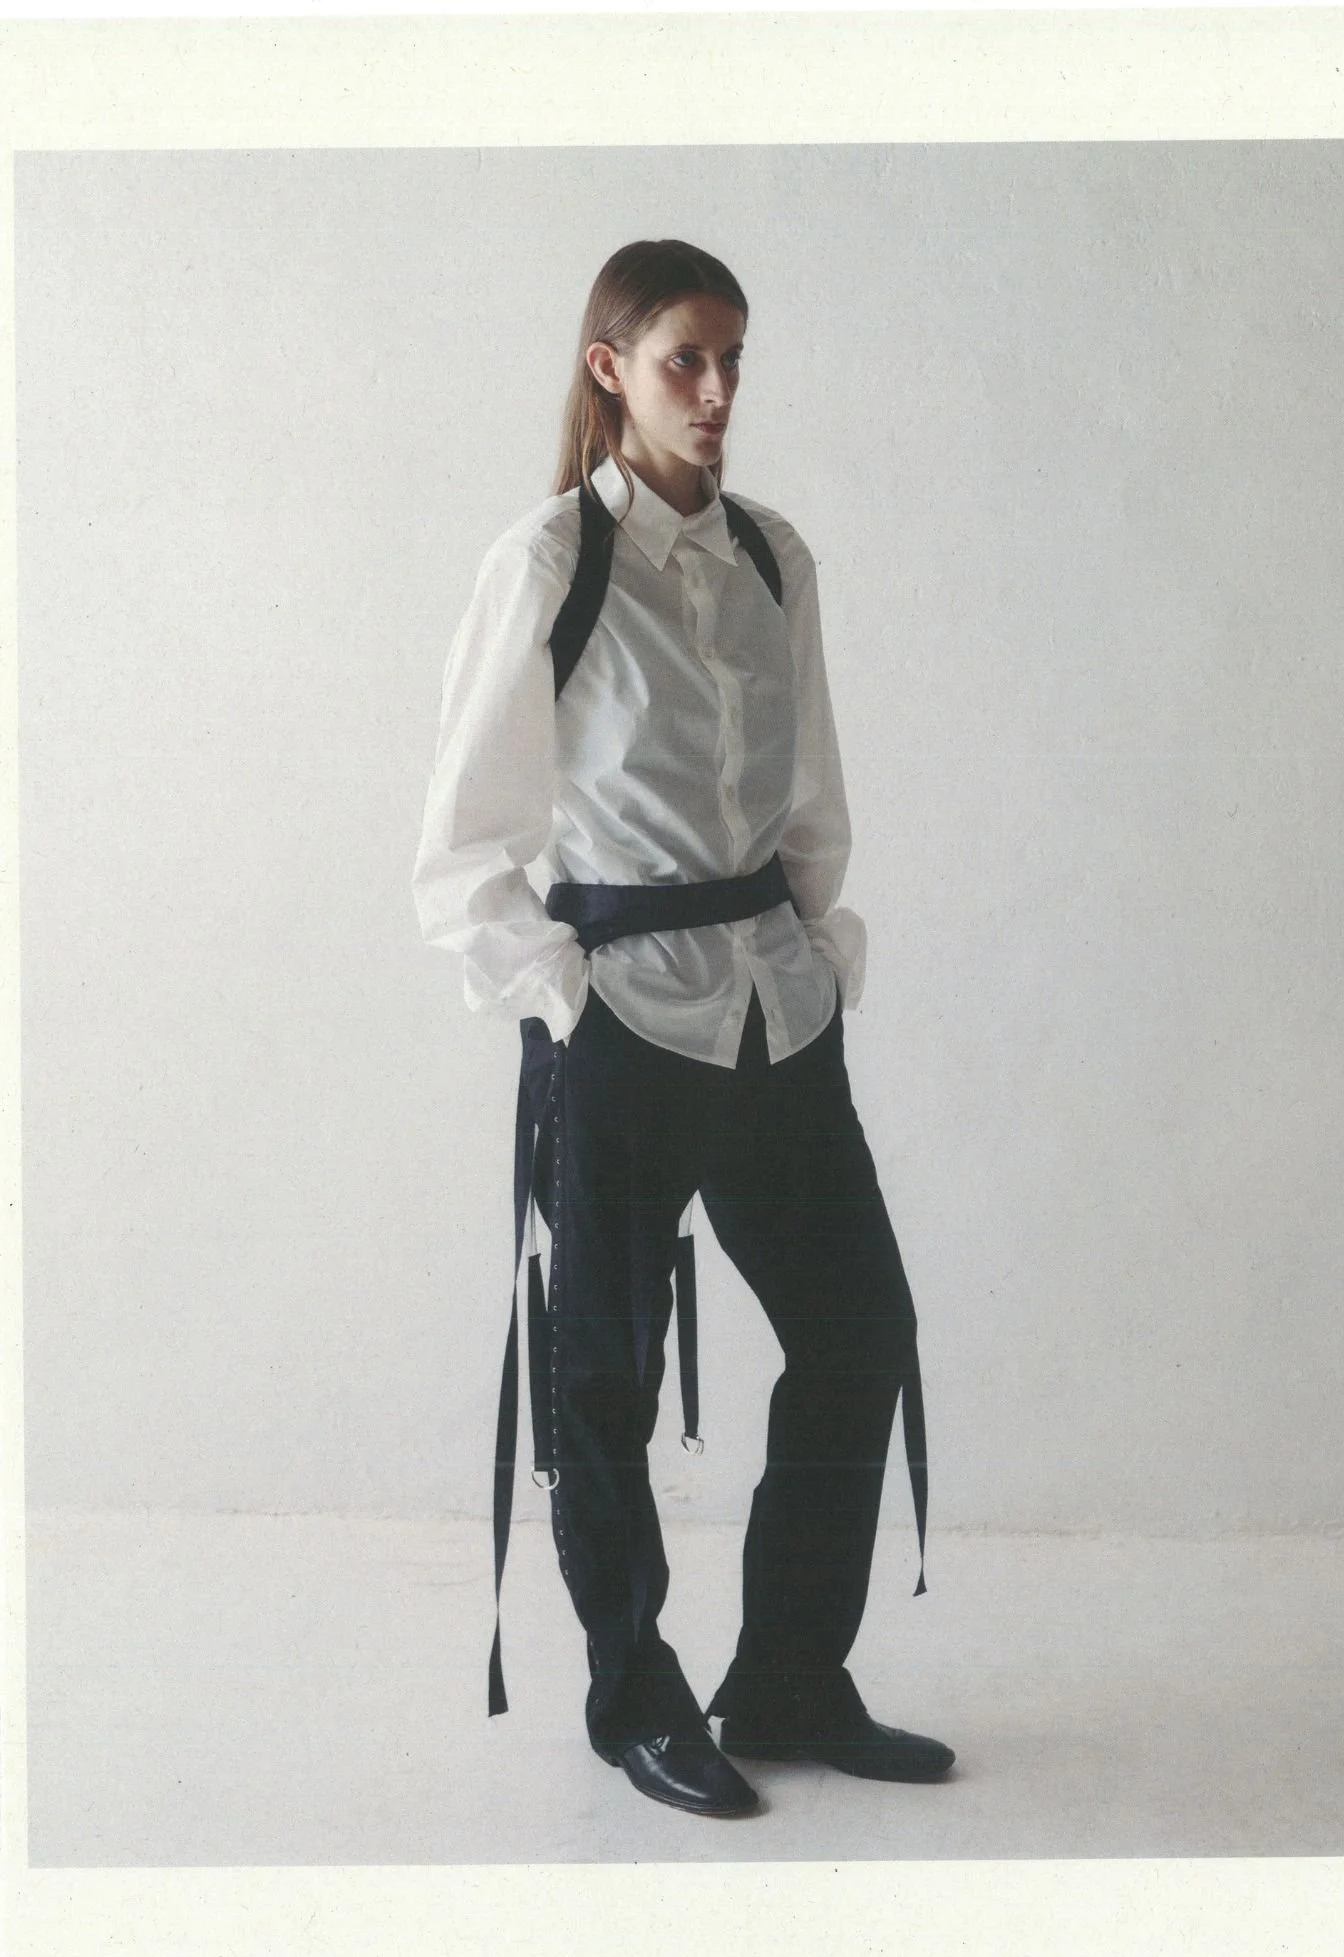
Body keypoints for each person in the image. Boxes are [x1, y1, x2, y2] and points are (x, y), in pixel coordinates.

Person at [413, 238, 953, 1819]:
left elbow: (810, 795)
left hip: (774, 1009)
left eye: (732, 362)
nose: (716, 392)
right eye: (682, 362)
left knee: (856, 1331)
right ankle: (635, 1701)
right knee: (604, 1384)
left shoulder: (775, 556)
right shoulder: (547, 562)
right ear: (610, 368)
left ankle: (785, 1678)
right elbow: (461, 846)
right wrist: (563, 1001)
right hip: (622, 1027)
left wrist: (818, 954)